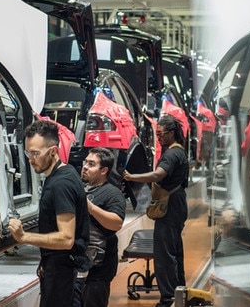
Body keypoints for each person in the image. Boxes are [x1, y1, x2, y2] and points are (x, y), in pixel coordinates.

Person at [8, 120, 90, 307]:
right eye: (28, 153)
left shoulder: (61, 184)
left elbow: (66, 239)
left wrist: (24, 236)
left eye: (35, 153)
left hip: (65, 273)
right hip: (58, 267)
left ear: (53, 151)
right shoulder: (62, 174)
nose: (30, 159)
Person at [123, 115, 189, 307]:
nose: (158, 137)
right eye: (156, 133)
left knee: (164, 255)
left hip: (171, 206)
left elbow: (158, 174)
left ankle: (168, 298)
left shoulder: (171, 154)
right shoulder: (177, 150)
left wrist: (132, 177)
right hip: (176, 204)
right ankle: (179, 291)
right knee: (174, 251)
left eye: (161, 134)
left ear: (172, 133)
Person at [74, 147, 127, 307]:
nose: (85, 166)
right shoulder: (81, 188)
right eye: (85, 162)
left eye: (91, 164)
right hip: (78, 262)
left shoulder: (112, 193)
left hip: (99, 267)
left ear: (104, 170)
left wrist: (90, 208)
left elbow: (116, 222)